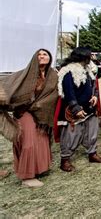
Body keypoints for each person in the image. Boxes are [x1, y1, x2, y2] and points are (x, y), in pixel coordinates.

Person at [0, 49, 58, 187]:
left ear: (49, 58)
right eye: (39, 54)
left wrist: (40, 104)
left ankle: (39, 169)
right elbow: (9, 85)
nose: (42, 56)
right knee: (28, 141)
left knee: (42, 139)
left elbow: (54, 94)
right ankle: (27, 176)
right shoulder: (25, 74)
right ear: (34, 58)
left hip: (42, 113)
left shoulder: (53, 75)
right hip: (24, 111)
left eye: (45, 54)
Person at [57, 47, 101, 172]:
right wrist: (76, 108)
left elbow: (93, 85)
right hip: (75, 109)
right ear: (83, 56)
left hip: (89, 107)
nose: (91, 58)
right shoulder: (68, 71)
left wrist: (95, 96)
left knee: (92, 132)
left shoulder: (88, 70)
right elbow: (68, 91)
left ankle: (92, 154)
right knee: (71, 135)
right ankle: (65, 159)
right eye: (89, 56)